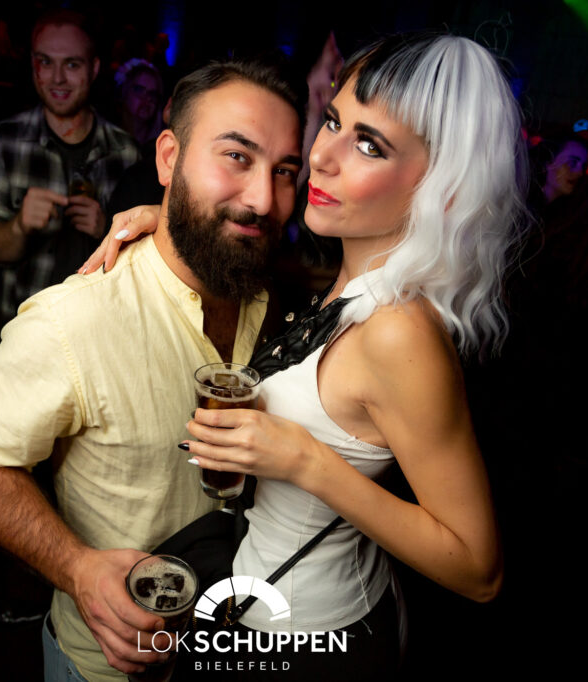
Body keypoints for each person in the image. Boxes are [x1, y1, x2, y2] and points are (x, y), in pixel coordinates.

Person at [87, 34, 522, 677]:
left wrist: (304, 460)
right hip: (274, 601)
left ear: (442, 188)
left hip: (310, 640)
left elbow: (479, 570)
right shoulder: (353, 282)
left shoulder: (400, 333)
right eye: (335, 121)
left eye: (369, 145)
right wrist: (177, 218)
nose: (321, 156)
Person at [0, 57, 303, 682]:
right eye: (236, 156)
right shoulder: (74, 319)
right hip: (111, 666)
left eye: (285, 171)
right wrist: (77, 568)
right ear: (169, 158)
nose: (265, 198)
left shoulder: (276, 299)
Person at [0, 8, 141, 321]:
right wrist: (19, 226)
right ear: (33, 65)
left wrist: (106, 232)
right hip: (22, 330)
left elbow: (143, 270)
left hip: (98, 328)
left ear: (94, 69)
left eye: (72, 64)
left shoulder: (125, 153)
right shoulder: (2, 143)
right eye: (45, 62)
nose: (57, 78)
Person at [114, 58, 164, 148]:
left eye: (152, 93)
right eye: (139, 90)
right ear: (125, 91)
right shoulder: (108, 138)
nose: (147, 98)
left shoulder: (160, 144)